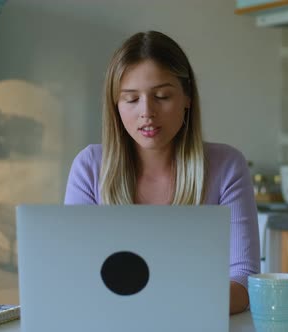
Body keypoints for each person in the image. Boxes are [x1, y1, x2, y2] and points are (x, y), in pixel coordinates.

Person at [64, 30, 260, 315]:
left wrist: (156, 306)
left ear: (187, 96)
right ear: (115, 105)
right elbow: (73, 277)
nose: (147, 112)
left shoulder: (227, 166)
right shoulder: (89, 167)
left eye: (162, 96)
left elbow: (244, 282)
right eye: (131, 99)